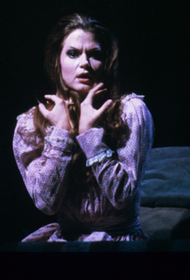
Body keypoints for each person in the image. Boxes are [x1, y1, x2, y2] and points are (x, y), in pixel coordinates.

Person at [13, 13, 154, 242]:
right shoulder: (31, 122)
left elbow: (122, 196)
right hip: (66, 242)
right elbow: (46, 204)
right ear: (57, 61)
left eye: (95, 54)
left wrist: (90, 135)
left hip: (119, 242)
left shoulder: (131, 111)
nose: (84, 64)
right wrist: (62, 133)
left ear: (106, 61)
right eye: (73, 53)